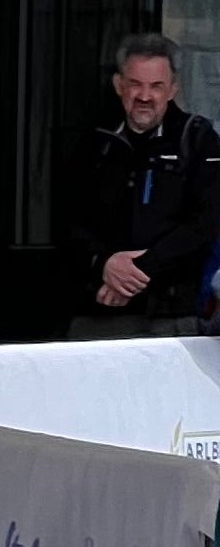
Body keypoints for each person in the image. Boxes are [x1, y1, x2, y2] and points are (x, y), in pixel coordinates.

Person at [57, 32, 220, 338]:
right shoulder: (95, 142)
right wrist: (104, 265)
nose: (145, 96)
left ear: (172, 89)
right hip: (99, 313)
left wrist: (140, 270)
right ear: (119, 85)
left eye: (156, 86)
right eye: (135, 84)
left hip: (173, 317)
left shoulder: (198, 139)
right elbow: (67, 221)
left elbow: (206, 224)